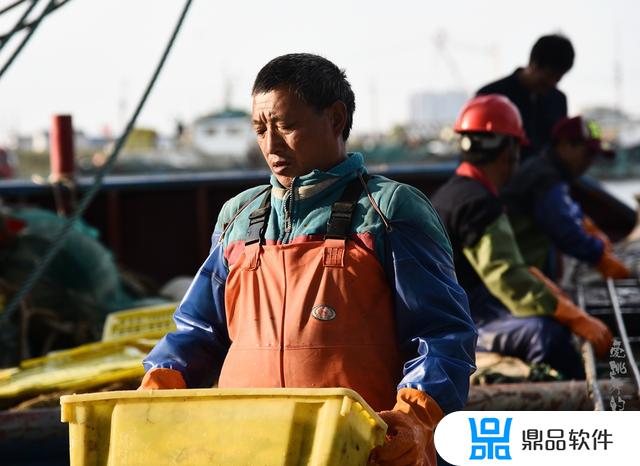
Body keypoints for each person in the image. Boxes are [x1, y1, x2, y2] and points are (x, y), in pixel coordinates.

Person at [140, 53, 477, 466]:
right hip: (245, 449)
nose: (270, 144)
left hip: (361, 450)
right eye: (260, 129)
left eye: (285, 125)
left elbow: (442, 333)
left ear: (336, 118)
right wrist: (163, 378)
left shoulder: (390, 209)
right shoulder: (239, 217)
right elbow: (198, 328)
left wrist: (417, 418)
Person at [431, 95, 612, 380]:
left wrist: (549, 293)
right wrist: (569, 314)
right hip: (459, 324)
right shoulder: (478, 204)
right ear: (510, 150)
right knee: (545, 334)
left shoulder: (452, 192)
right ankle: (573, 406)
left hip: (452, 311)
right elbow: (506, 276)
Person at [502, 116, 631, 281]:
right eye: (588, 153)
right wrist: (602, 258)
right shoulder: (544, 178)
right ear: (564, 145)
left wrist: (593, 233)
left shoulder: (546, 170)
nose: (589, 162)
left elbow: (569, 213)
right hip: (517, 279)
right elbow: (565, 231)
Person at [477, 34, 574, 160]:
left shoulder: (558, 100)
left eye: (558, 78)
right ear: (533, 63)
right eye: (550, 75)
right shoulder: (491, 96)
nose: (552, 83)